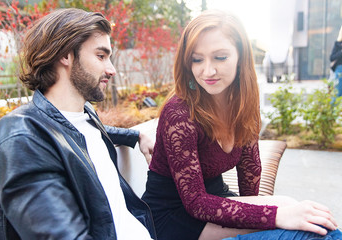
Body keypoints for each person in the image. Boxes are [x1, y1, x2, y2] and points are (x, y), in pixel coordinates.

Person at [142, 10, 341, 240]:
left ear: (241, 57)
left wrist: (267, 221)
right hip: (174, 219)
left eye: (220, 57)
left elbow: (250, 171)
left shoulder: (243, 104)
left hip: (216, 203)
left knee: (309, 218)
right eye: (197, 59)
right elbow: (195, 203)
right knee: (305, 232)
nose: (208, 71)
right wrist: (275, 218)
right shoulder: (179, 112)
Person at [0, 8, 156, 239]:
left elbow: (83, 134)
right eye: (101, 56)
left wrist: (135, 136)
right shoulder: (20, 138)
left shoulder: (85, 116)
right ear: (65, 55)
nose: (111, 70)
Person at [330, 25, 342, 97]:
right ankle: (334, 107)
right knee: (338, 92)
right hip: (340, 70)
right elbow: (332, 58)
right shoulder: (338, 44)